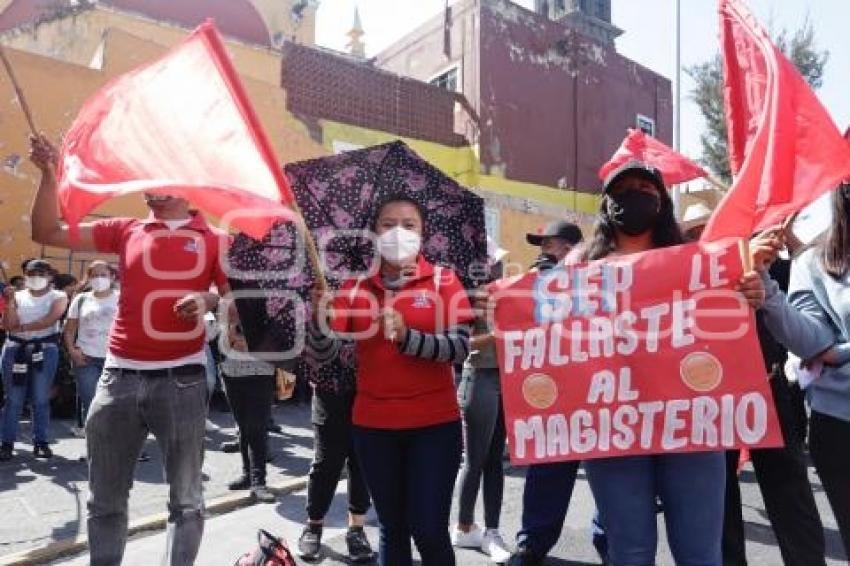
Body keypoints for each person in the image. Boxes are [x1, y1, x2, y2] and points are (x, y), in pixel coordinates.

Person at [28, 134, 228, 565]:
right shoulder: (127, 229)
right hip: (116, 380)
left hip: (184, 381)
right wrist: (48, 174)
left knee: (186, 502)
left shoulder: (216, 239)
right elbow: (46, 231)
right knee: (104, 502)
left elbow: (239, 301)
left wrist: (210, 300)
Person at [579, 160, 764, 565]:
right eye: (623, 189)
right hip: (614, 428)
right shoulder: (579, 267)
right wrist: (506, 309)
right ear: (607, 205)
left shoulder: (700, 263)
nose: (634, 194)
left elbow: (725, 326)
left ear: (662, 202)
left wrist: (747, 294)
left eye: (644, 189)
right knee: (629, 552)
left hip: (692, 424)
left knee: (700, 554)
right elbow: (545, 327)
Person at [309, 195, 474, 566]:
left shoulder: (444, 281)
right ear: (373, 233)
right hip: (373, 426)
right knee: (391, 528)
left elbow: (460, 348)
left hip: (435, 425)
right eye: (388, 223)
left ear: (423, 231)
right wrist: (319, 319)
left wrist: (407, 339)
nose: (398, 231)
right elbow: (326, 354)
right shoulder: (355, 286)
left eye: (409, 224)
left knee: (428, 528)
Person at [682, 206, 827, 566]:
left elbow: (807, 268)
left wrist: (778, 241)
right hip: (709, 398)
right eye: (696, 233)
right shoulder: (681, 275)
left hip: (768, 386)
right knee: (720, 498)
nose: (705, 238)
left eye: (711, 229)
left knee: (790, 491)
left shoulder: (759, 263)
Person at [752, 182, 850, 557]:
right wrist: (765, 286)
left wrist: (839, 352)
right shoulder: (814, 261)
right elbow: (811, 342)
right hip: (840, 426)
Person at [508, 222, 587, 566]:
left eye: (550, 246)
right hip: (555, 397)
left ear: (572, 250)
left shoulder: (601, 279)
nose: (543, 253)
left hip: (601, 394)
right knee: (547, 472)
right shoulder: (532, 282)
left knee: (612, 477)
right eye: (541, 246)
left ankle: (613, 543)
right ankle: (531, 543)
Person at [451, 238, 512, 564]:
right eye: (494, 262)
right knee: (475, 459)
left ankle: (492, 530)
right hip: (479, 378)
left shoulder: (506, 294)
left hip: (505, 378)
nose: (498, 267)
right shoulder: (467, 298)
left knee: (494, 461)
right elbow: (460, 344)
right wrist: (496, 335)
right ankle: (463, 526)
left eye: (500, 262)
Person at [296, 344, 375, 563]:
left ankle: (356, 530)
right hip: (328, 390)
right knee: (326, 463)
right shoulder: (321, 310)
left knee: (361, 463)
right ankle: (313, 526)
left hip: (368, 390)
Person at [0, 258, 67, 460]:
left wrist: (22, 328)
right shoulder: (17, 295)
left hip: (44, 350)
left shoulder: (58, 295)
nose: (36, 277)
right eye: (31, 273)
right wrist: (10, 303)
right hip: (14, 350)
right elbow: (7, 324)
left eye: (41, 273)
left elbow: (50, 320)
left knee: (40, 397)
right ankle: (6, 443)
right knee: (13, 399)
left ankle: (41, 441)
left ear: (50, 276)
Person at [220, 301, 276, 503]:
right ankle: (247, 475)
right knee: (243, 427)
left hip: (260, 372)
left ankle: (258, 482)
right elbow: (217, 340)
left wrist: (251, 342)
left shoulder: (267, 304)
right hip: (231, 373)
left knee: (256, 427)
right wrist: (229, 330)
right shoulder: (223, 305)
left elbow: (276, 337)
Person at [63, 261, 119, 435]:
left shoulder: (122, 297)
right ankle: (95, 447)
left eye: (103, 275)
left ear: (112, 277)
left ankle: (124, 446)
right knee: (92, 403)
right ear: (88, 278)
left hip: (116, 360)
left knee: (117, 404)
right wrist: (72, 350)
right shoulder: (80, 299)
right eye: (94, 275)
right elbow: (70, 329)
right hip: (86, 358)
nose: (99, 279)